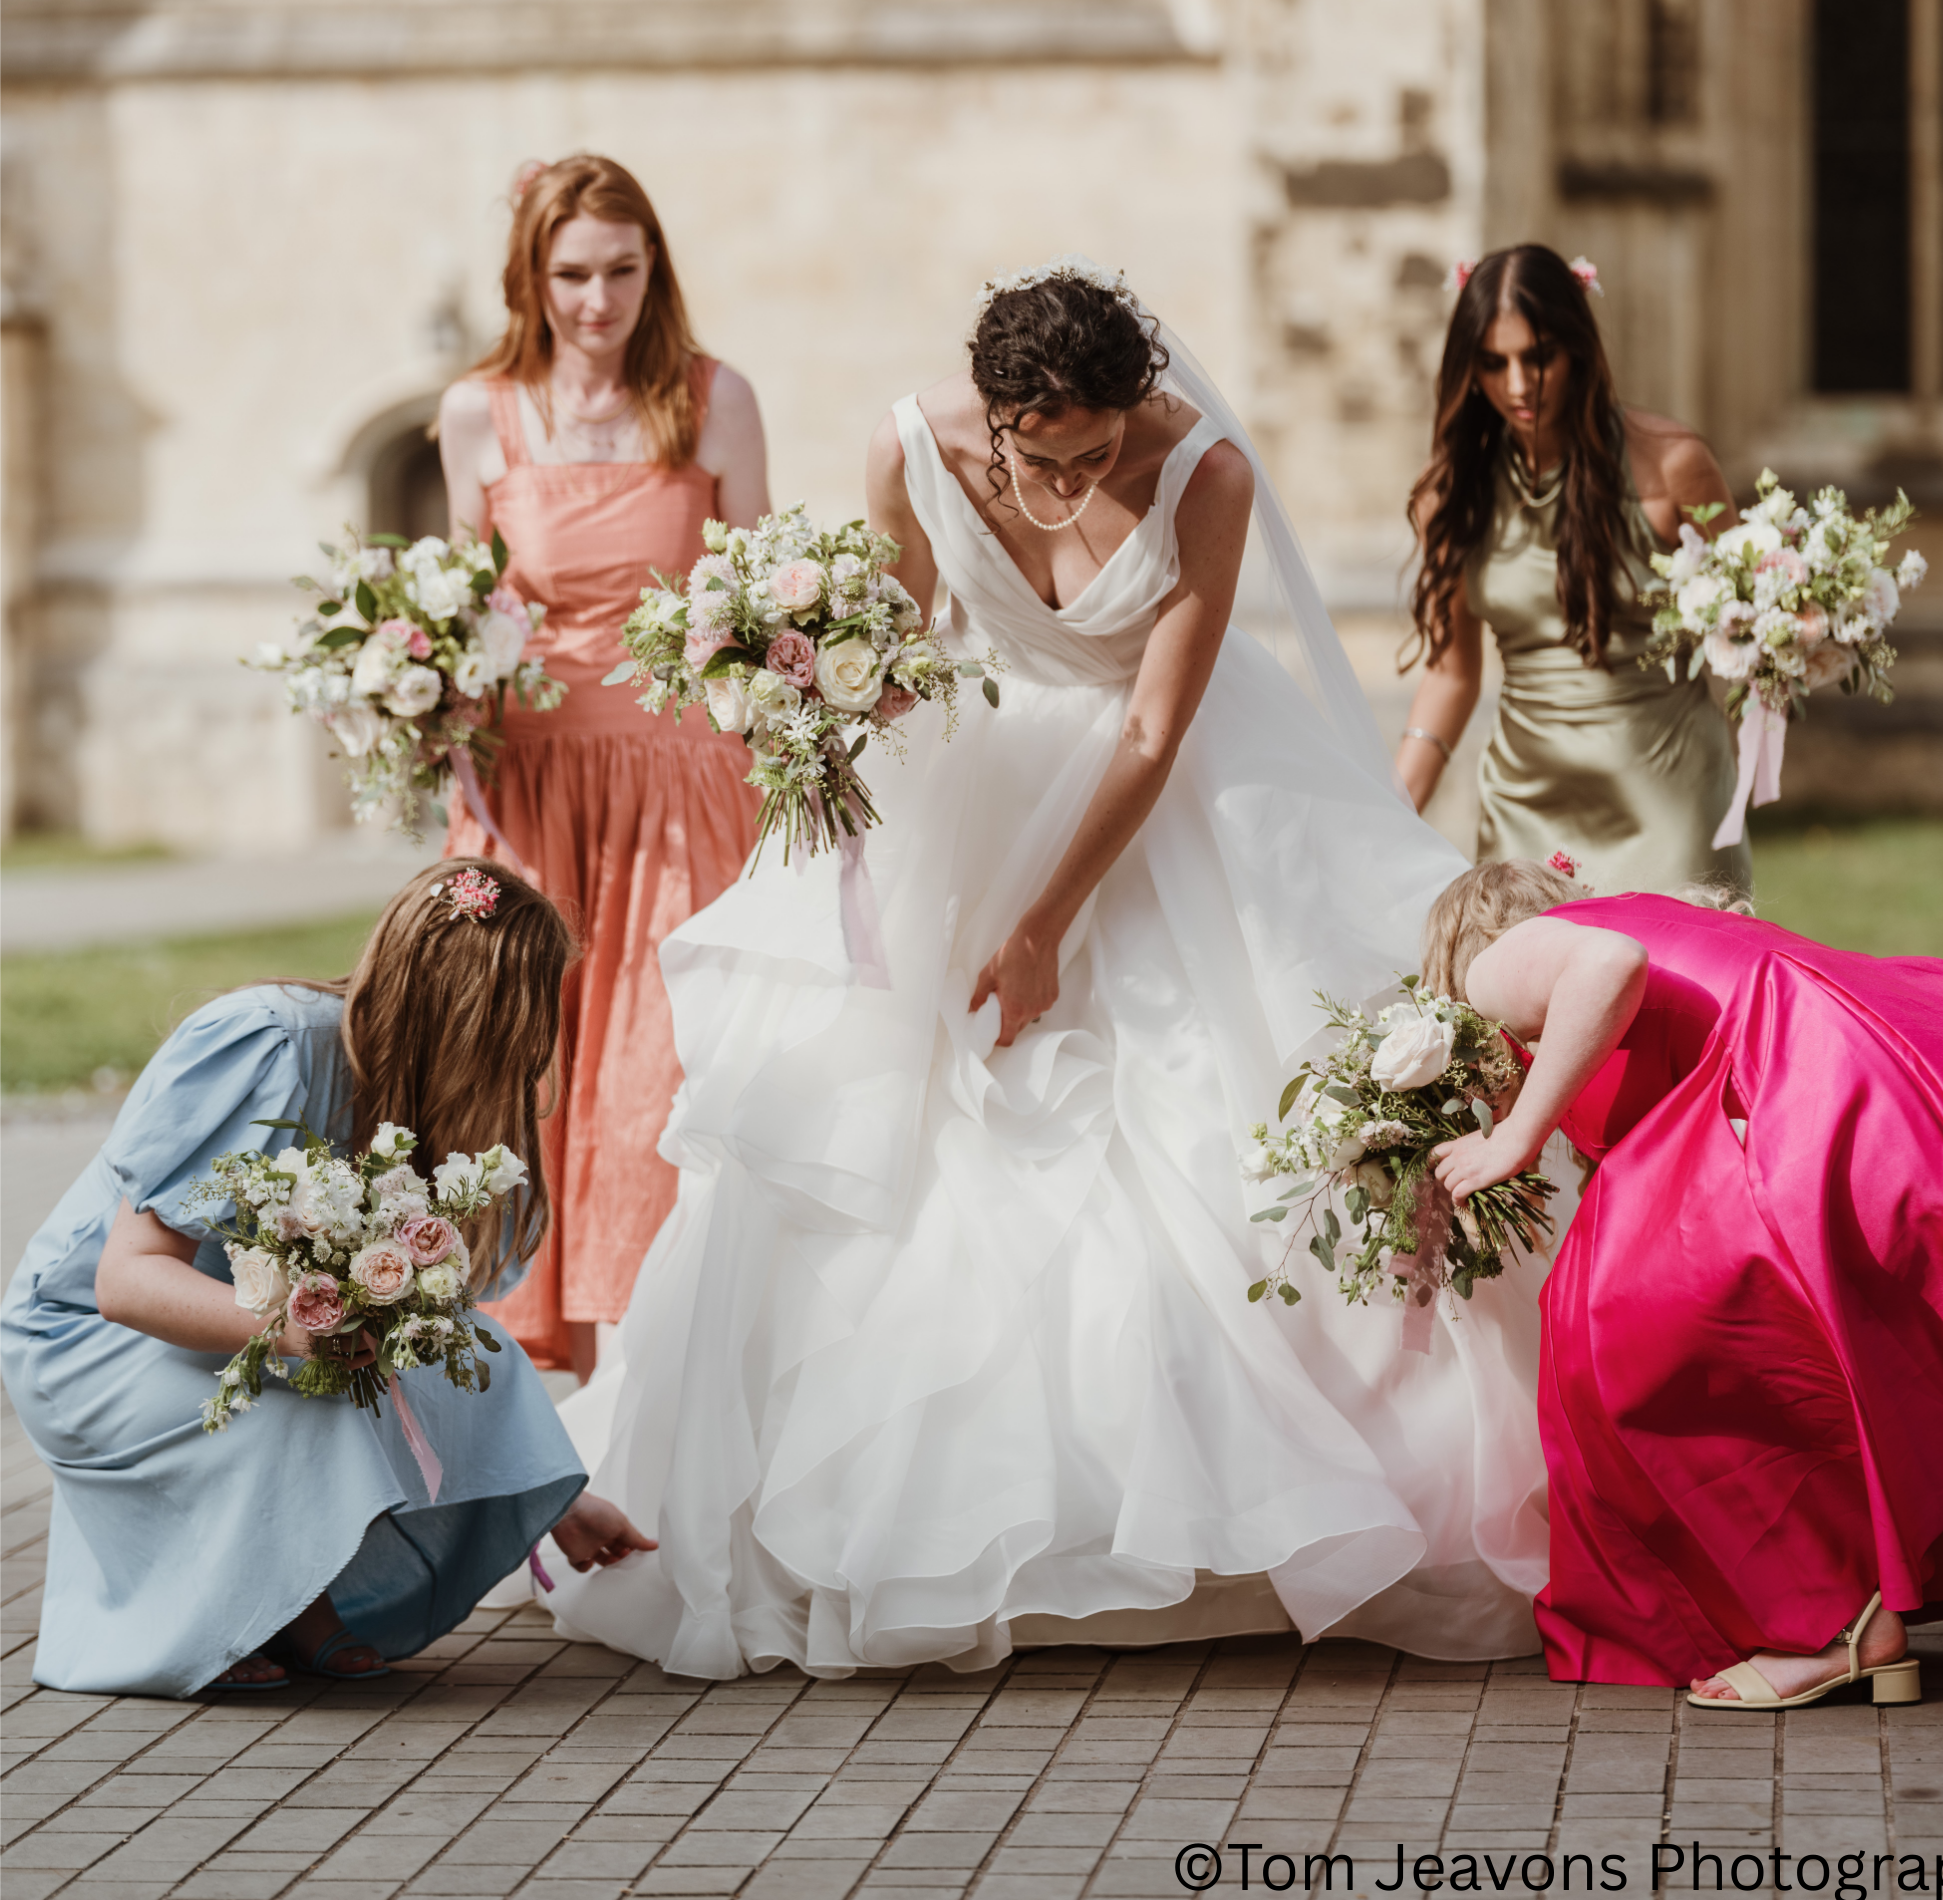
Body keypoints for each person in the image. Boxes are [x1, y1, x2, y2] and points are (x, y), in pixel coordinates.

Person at [528, 258, 1556, 1681]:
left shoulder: (1204, 474)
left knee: (1221, 1131)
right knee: (898, 1144)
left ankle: (1253, 1531)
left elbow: (1150, 730)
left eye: (1097, 457)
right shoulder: (907, 448)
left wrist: (1041, 927)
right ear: (994, 419)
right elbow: (898, 652)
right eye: (1041, 460)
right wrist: (808, 695)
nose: (1071, 489)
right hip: (975, 781)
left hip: (1172, 802)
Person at [0, 860, 655, 1699]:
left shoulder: (423, 1100)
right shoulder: (268, 1045)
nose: (537, 1047)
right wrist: (297, 1330)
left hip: (250, 1325)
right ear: (463, 1013)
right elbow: (124, 1282)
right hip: (95, 1340)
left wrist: (560, 1503)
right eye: (523, 1022)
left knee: (476, 1354)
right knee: (306, 1410)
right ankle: (228, 1613)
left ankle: (288, 1594)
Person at [1423, 861, 1943, 1706]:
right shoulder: (1659, 919)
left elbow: (1606, 966)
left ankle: (1831, 1625)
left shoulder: (1499, 959)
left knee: (1619, 1331)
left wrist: (1515, 1139)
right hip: (1893, 1060)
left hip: (1813, 1088)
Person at [437, 155, 772, 1378]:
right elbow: (461, 610)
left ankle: (655, 1360)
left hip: (679, 784)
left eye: (621, 270)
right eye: (571, 273)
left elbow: (753, 600)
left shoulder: (712, 398)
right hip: (527, 788)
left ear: (653, 268)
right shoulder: (479, 411)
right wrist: (418, 697)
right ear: (531, 278)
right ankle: (516, 1352)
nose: (597, 299)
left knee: (658, 1063)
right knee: (519, 1063)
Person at [1395, 245, 1750, 897]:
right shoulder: (1447, 498)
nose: (1519, 385)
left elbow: (1750, 628)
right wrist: (1390, 816)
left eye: (1538, 357)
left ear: (1579, 348)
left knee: (1680, 990)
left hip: (1669, 796)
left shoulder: (1673, 466)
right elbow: (1450, 676)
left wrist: (1809, 628)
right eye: (1493, 364)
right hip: (1525, 807)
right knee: (1520, 998)